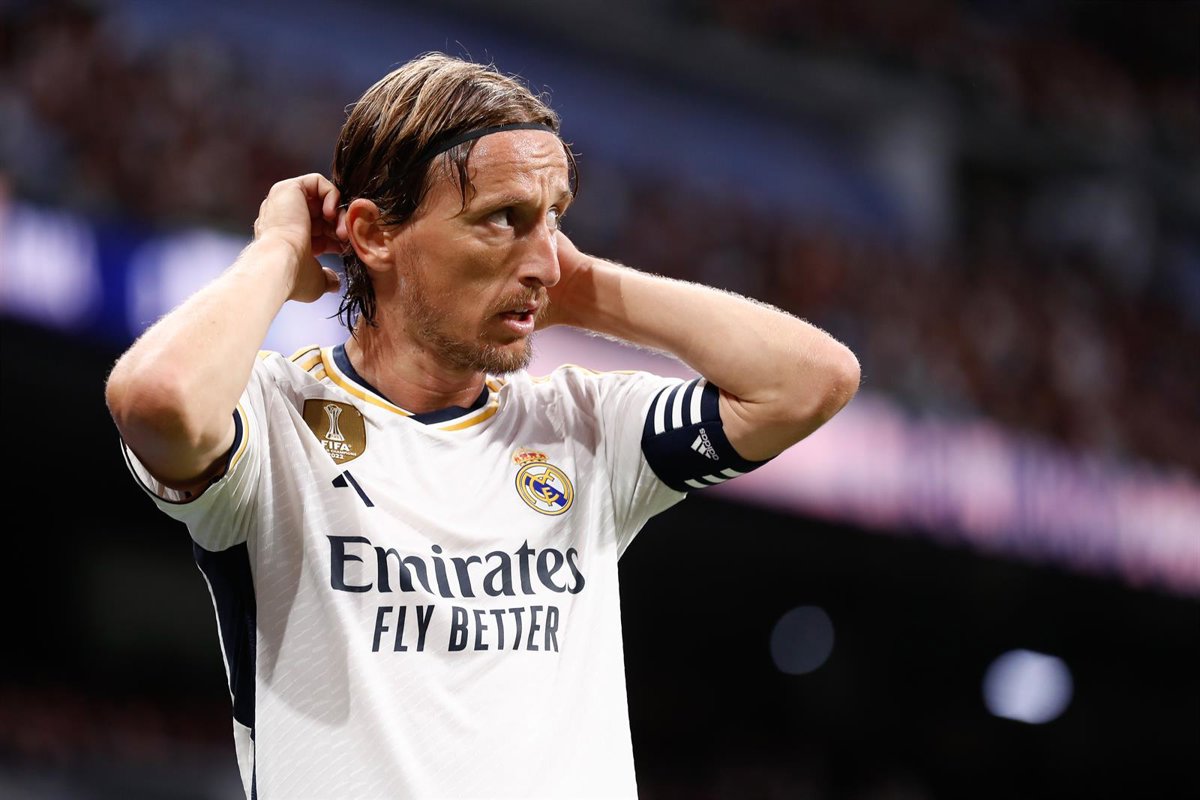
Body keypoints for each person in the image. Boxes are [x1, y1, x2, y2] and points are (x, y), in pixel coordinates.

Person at [106, 53, 860, 799]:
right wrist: (277, 252)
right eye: (504, 218)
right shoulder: (275, 421)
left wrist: (586, 289)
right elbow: (156, 400)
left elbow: (811, 383)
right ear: (373, 234)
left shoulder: (587, 428)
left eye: (554, 218)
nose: (547, 263)